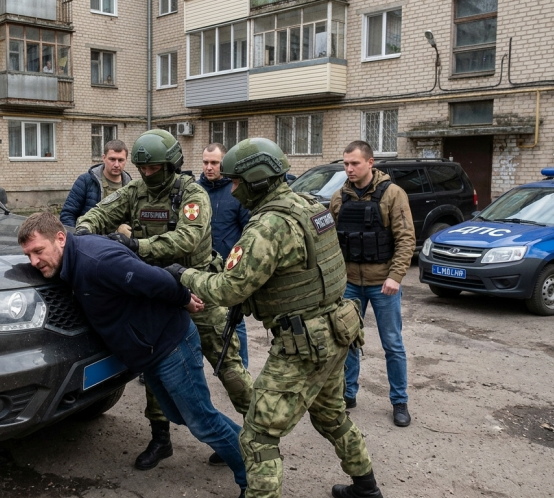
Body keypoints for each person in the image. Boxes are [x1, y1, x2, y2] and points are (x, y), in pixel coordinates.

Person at [170, 137, 383, 498]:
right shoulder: (309, 206)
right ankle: (366, 486)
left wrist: (183, 275)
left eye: (237, 182)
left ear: (256, 181)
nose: (233, 190)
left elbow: (227, 290)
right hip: (337, 329)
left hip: (304, 344)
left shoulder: (268, 226)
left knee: (257, 435)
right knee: (331, 416)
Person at [18, 212, 247, 497]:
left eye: (38, 251)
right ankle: (241, 445)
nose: (34, 261)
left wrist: (185, 299)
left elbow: (154, 278)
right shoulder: (74, 261)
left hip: (169, 343)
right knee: (179, 415)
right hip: (148, 351)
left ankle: (252, 477)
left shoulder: (97, 262)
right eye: (28, 255)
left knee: (202, 421)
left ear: (61, 238)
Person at [76, 129, 253, 470]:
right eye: (142, 168)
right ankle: (160, 438)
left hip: (199, 291)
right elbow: (101, 212)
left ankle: (255, 436)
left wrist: (136, 247)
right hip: (157, 295)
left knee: (229, 370)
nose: (146, 173)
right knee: (154, 366)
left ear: (171, 164)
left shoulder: (192, 194)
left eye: (154, 168)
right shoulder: (136, 190)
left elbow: (186, 240)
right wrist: (83, 232)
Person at [329, 140, 415, 427]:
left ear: (370, 162)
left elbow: (406, 239)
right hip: (349, 283)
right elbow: (330, 240)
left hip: (383, 284)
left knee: (392, 344)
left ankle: (399, 401)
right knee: (348, 340)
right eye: (345, 163)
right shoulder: (339, 197)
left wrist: (396, 276)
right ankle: (348, 393)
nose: (349, 169)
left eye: (354, 163)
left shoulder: (393, 194)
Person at [198, 142, 250, 369]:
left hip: (229, 270)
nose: (209, 167)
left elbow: (249, 231)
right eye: (206, 162)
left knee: (235, 321)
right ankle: (193, 368)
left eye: (215, 163)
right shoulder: (194, 191)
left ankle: (241, 367)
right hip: (199, 269)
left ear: (224, 163)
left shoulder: (236, 192)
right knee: (197, 321)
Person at [59, 140, 132, 227]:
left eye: (120, 160)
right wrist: (79, 237)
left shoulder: (131, 186)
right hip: (89, 238)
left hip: (119, 239)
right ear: (104, 158)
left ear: (126, 160)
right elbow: (67, 215)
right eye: (112, 159)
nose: (116, 164)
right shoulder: (85, 181)